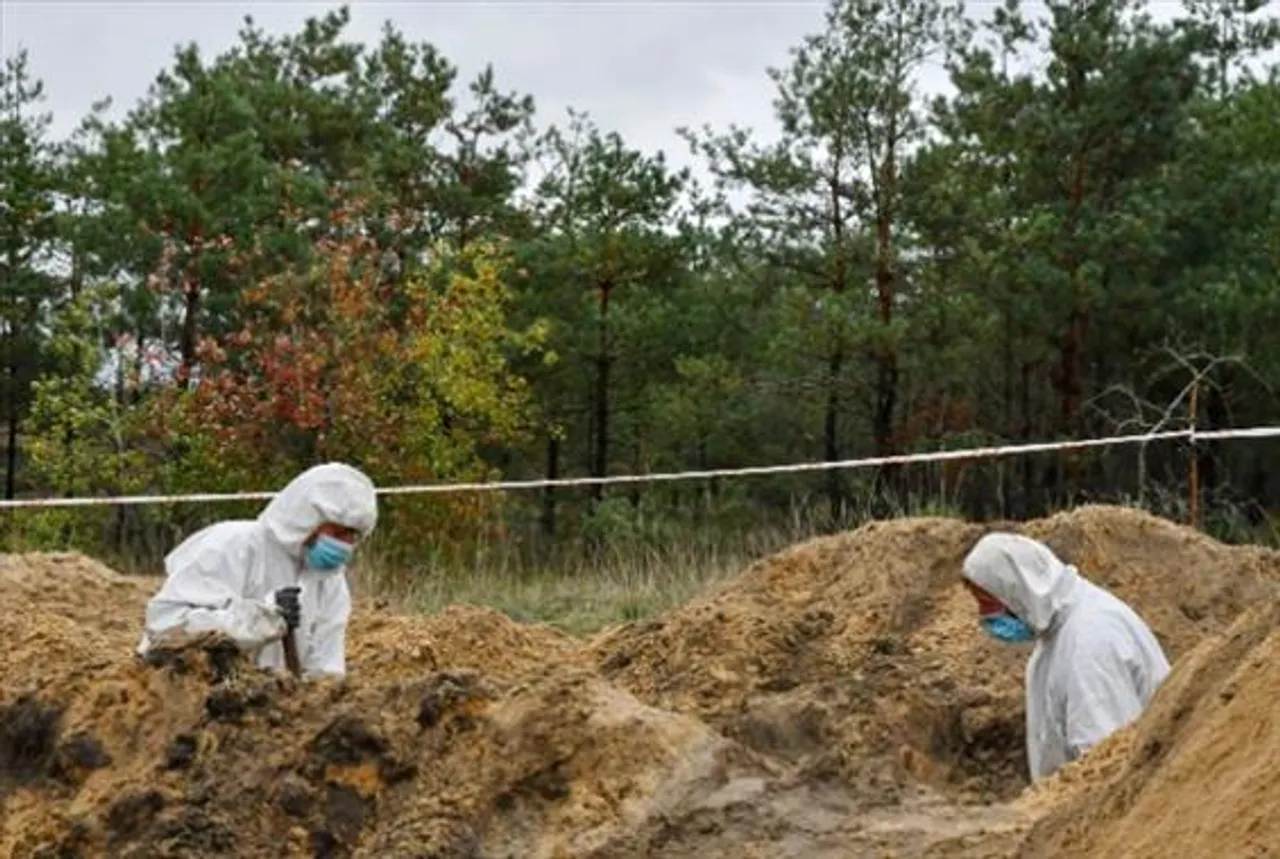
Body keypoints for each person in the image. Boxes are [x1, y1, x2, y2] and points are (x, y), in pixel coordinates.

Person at [961, 532, 1171, 782]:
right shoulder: (1059, 630)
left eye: (987, 604)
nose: (984, 615)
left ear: (1015, 592)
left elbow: (1104, 766)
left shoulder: (1090, 642)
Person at [137, 462, 378, 680]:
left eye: (352, 536)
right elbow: (166, 627)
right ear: (308, 518)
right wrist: (260, 619)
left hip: (265, 709)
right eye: (338, 533)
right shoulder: (232, 546)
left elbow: (325, 668)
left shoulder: (330, 582)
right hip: (182, 693)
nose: (344, 545)